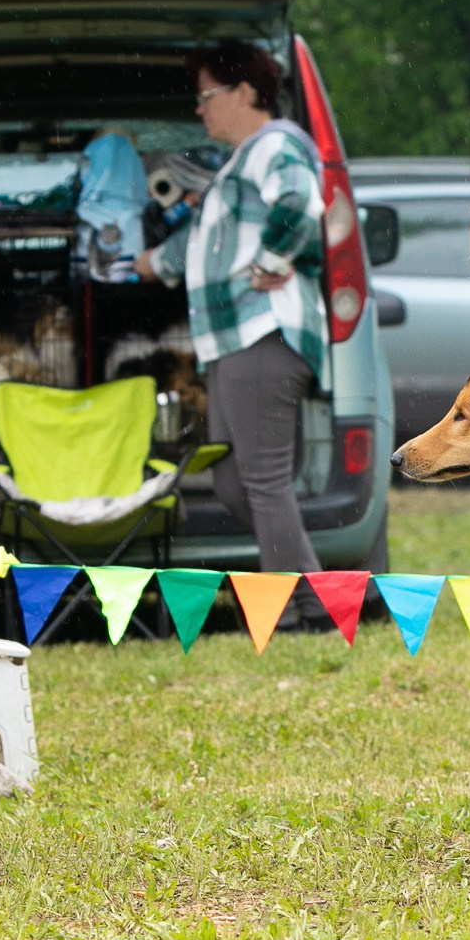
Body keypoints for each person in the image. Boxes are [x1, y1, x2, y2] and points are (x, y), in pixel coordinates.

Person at [134, 42, 328, 579]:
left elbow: (300, 200)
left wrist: (272, 257)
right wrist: (146, 262)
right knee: (232, 483)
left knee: (262, 481)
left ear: (246, 92)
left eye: (208, 96)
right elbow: (202, 246)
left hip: (262, 334)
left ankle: (292, 610)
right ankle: (314, 595)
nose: (200, 109)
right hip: (231, 343)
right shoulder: (240, 162)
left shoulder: (275, 143)